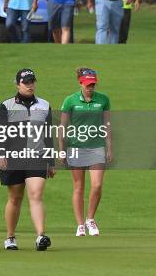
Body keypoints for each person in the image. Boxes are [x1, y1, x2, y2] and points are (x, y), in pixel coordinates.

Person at [0, 68, 53, 251]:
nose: (30, 85)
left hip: (36, 157)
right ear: (18, 84)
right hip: (14, 157)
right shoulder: (7, 105)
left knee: (36, 194)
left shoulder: (44, 105)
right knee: (15, 198)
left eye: (32, 81)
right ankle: (10, 237)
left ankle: (40, 236)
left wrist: (51, 161)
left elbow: (49, 135)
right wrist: (0, 153)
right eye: (26, 82)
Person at [58, 67, 112, 237]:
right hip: (76, 147)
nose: (91, 88)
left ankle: (90, 219)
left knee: (97, 185)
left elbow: (107, 125)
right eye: (88, 85)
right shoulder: (70, 100)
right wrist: (61, 150)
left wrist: (110, 147)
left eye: (93, 85)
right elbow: (62, 127)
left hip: (97, 146)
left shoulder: (103, 100)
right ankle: (80, 224)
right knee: (78, 187)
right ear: (80, 83)